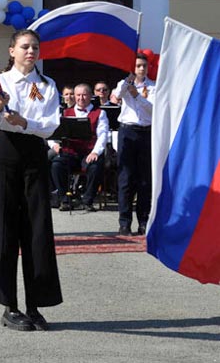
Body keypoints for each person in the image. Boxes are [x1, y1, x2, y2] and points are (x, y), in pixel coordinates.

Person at [0, 29, 61, 332]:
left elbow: (51, 125)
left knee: (37, 229)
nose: (31, 51)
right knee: (4, 226)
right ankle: (8, 305)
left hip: (34, 154)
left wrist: (26, 122)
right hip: (5, 153)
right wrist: (0, 108)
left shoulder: (47, 85)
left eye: (35, 47)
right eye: (25, 47)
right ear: (12, 50)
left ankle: (35, 305)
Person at [111, 53, 155, 236]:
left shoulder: (153, 86)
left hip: (146, 132)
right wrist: (126, 82)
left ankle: (143, 221)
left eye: (144, 66)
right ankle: (124, 222)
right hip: (127, 131)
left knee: (145, 180)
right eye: (138, 66)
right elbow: (116, 96)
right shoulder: (125, 83)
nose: (141, 69)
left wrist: (137, 95)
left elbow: (153, 109)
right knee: (125, 178)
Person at [50, 83, 109, 212]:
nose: (81, 98)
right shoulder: (65, 112)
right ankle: (64, 200)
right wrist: (54, 144)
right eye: (78, 95)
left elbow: (103, 135)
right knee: (56, 165)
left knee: (95, 166)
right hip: (70, 153)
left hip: (89, 152)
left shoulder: (100, 113)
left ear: (90, 96)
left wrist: (95, 152)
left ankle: (87, 201)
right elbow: (52, 131)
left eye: (84, 95)